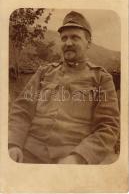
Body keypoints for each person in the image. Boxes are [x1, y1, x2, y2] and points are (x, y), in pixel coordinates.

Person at [9, 11, 120, 164]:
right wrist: (14, 144)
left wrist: (78, 157)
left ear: (88, 43)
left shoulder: (101, 78)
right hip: (28, 152)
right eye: (64, 38)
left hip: (71, 157)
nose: (68, 43)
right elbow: (22, 110)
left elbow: (108, 127)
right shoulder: (44, 72)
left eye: (75, 37)